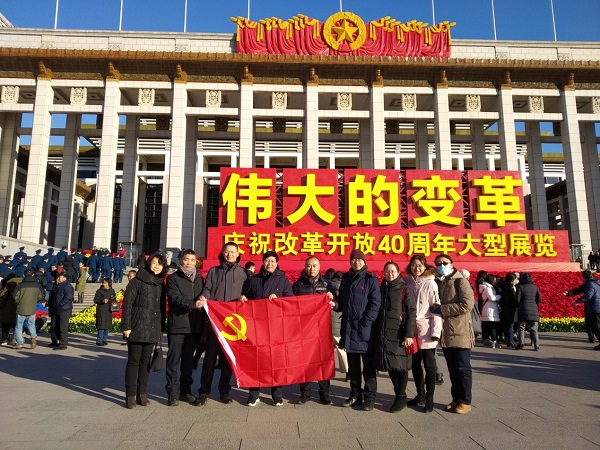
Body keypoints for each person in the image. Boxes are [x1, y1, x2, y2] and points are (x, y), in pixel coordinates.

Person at [196, 242, 251, 405]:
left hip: (233, 325)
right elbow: (207, 289)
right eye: (227, 252)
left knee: (227, 360)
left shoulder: (245, 274)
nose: (230, 254)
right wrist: (204, 297)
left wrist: (245, 297)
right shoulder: (214, 271)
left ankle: (224, 391)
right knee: (209, 359)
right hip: (215, 323)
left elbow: (248, 293)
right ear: (222, 253)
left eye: (233, 252)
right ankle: (204, 392)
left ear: (238, 254)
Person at [240, 251, 294, 407]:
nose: (270, 263)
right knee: (255, 360)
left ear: (277, 263)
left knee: (275, 361)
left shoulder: (283, 281)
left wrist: (279, 300)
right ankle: (253, 394)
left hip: (276, 327)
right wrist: (243, 298)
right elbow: (246, 296)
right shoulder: (253, 280)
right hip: (256, 327)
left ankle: (277, 394)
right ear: (262, 262)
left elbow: (291, 301)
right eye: (267, 260)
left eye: (273, 261)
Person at [334, 249, 381, 411]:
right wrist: (335, 304)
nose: (357, 262)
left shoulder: (370, 279)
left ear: (364, 262)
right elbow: (342, 302)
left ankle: (370, 397)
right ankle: (355, 395)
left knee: (368, 367)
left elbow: (375, 303)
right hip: (349, 330)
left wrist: (366, 322)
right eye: (354, 260)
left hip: (365, 330)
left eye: (359, 260)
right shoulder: (346, 279)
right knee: (353, 368)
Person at [122, 254, 167, 409]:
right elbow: (127, 304)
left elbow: (161, 308)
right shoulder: (136, 281)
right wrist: (126, 326)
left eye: (160, 264)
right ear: (148, 264)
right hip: (136, 326)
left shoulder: (160, 284)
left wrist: (161, 328)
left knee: (145, 363)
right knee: (133, 361)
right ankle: (130, 395)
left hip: (152, 328)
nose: (156, 266)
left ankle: (142, 393)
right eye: (154, 263)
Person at [430, 253, 475, 414]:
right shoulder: (439, 282)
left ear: (451, 264)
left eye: (445, 263)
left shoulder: (460, 281)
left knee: (463, 368)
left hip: (460, 332)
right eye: (438, 263)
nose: (442, 265)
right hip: (446, 333)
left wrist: (442, 309)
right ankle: (456, 399)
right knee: (453, 369)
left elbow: (467, 304)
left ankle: (465, 401)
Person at [164, 249, 206, 406]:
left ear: (196, 262)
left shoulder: (200, 278)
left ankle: (185, 391)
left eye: (192, 260)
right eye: (186, 259)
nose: (189, 262)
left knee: (188, 361)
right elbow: (175, 298)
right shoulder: (173, 278)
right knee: (173, 361)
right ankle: (172, 393)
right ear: (180, 260)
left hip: (193, 327)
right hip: (178, 325)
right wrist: (192, 304)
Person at [292, 256, 335, 405]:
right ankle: (305, 393)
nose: (312, 269)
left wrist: (333, 300)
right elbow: (291, 305)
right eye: (309, 266)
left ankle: (324, 393)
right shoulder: (298, 285)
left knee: (323, 361)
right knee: (304, 361)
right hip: (304, 330)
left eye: (315, 266)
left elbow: (338, 302)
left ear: (319, 267)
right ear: (305, 267)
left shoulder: (327, 284)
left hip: (322, 329)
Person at [374, 261, 416, 413]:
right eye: (387, 271)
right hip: (385, 334)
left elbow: (411, 312)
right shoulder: (382, 288)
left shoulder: (405, 289)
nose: (389, 273)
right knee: (391, 365)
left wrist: (409, 334)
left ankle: (401, 396)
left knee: (401, 366)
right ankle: (399, 395)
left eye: (392, 271)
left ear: (398, 272)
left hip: (400, 334)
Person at [405, 255, 442, 413]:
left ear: (425, 267)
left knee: (429, 365)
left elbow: (436, 308)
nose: (417, 268)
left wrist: (436, 332)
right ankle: (420, 394)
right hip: (412, 330)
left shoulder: (430, 283)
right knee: (415, 364)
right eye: (414, 265)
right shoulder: (408, 282)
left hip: (427, 329)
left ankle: (430, 398)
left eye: (420, 265)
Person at [12, 269, 44, 350]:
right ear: (33, 275)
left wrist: (18, 303)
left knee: (18, 326)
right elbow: (40, 296)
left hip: (21, 308)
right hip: (32, 308)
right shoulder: (37, 285)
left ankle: (19, 343)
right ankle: (33, 338)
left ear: (24, 275)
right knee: (31, 324)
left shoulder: (20, 285)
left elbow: (15, 297)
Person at [568, 269, 600, 349]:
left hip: (595, 307)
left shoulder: (590, 284)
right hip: (597, 306)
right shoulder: (596, 282)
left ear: (584, 277)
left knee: (595, 326)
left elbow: (588, 295)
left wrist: (577, 301)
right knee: (595, 326)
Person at [514, 272, 541, 351]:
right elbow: (539, 299)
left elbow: (517, 299)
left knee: (521, 327)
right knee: (534, 329)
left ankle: (521, 344)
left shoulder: (520, 286)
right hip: (534, 310)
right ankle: (536, 345)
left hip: (523, 309)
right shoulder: (535, 287)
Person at [48, 268, 74, 350]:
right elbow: (52, 296)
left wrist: (60, 305)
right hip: (55, 309)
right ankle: (54, 341)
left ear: (65, 278)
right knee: (54, 326)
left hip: (64, 309)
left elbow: (68, 297)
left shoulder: (68, 286)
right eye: (57, 277)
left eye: (59, 277)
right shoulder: (56, 286)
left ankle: (63, 344)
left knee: (63, 327)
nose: (57, 278)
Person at [479, 274, 502, 348]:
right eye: (494, 280)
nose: (495, 281)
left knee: (486, 325)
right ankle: (493, 341)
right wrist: (499, 296)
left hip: (487, 308)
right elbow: (492, 297)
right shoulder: (488, 288)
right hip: (490, 309)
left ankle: (486, 340)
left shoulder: (485, 287)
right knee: (492, 325)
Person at [93, 277, 116, 346]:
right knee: (101, 325)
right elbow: (95, 300)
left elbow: (114, 299)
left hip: (109, 310)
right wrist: (102, 300)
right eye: (103, 282)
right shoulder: (99, 291)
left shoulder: (112, 291)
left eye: (105, 283)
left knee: (107, 325)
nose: (103, 284)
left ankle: (104, 339)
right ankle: (99, 341)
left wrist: (112, 300)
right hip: (101, 310)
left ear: (109, 284)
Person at [1, 274, 22, 346]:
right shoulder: (22, 284)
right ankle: (17, 340)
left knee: (5, 325)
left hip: (7, 306)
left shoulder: (7, 283)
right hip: (18, 307)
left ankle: (4, 339)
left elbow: (3, 295)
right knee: (16, 325)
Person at [499, 273, 519, 348]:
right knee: (510, 325)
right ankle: (510, 341)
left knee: (507, 325)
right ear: (512, 280)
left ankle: (509, 340)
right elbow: (513, 299)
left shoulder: (504, 285)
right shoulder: (510, 288)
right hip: (510, 309)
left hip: (505, 308)